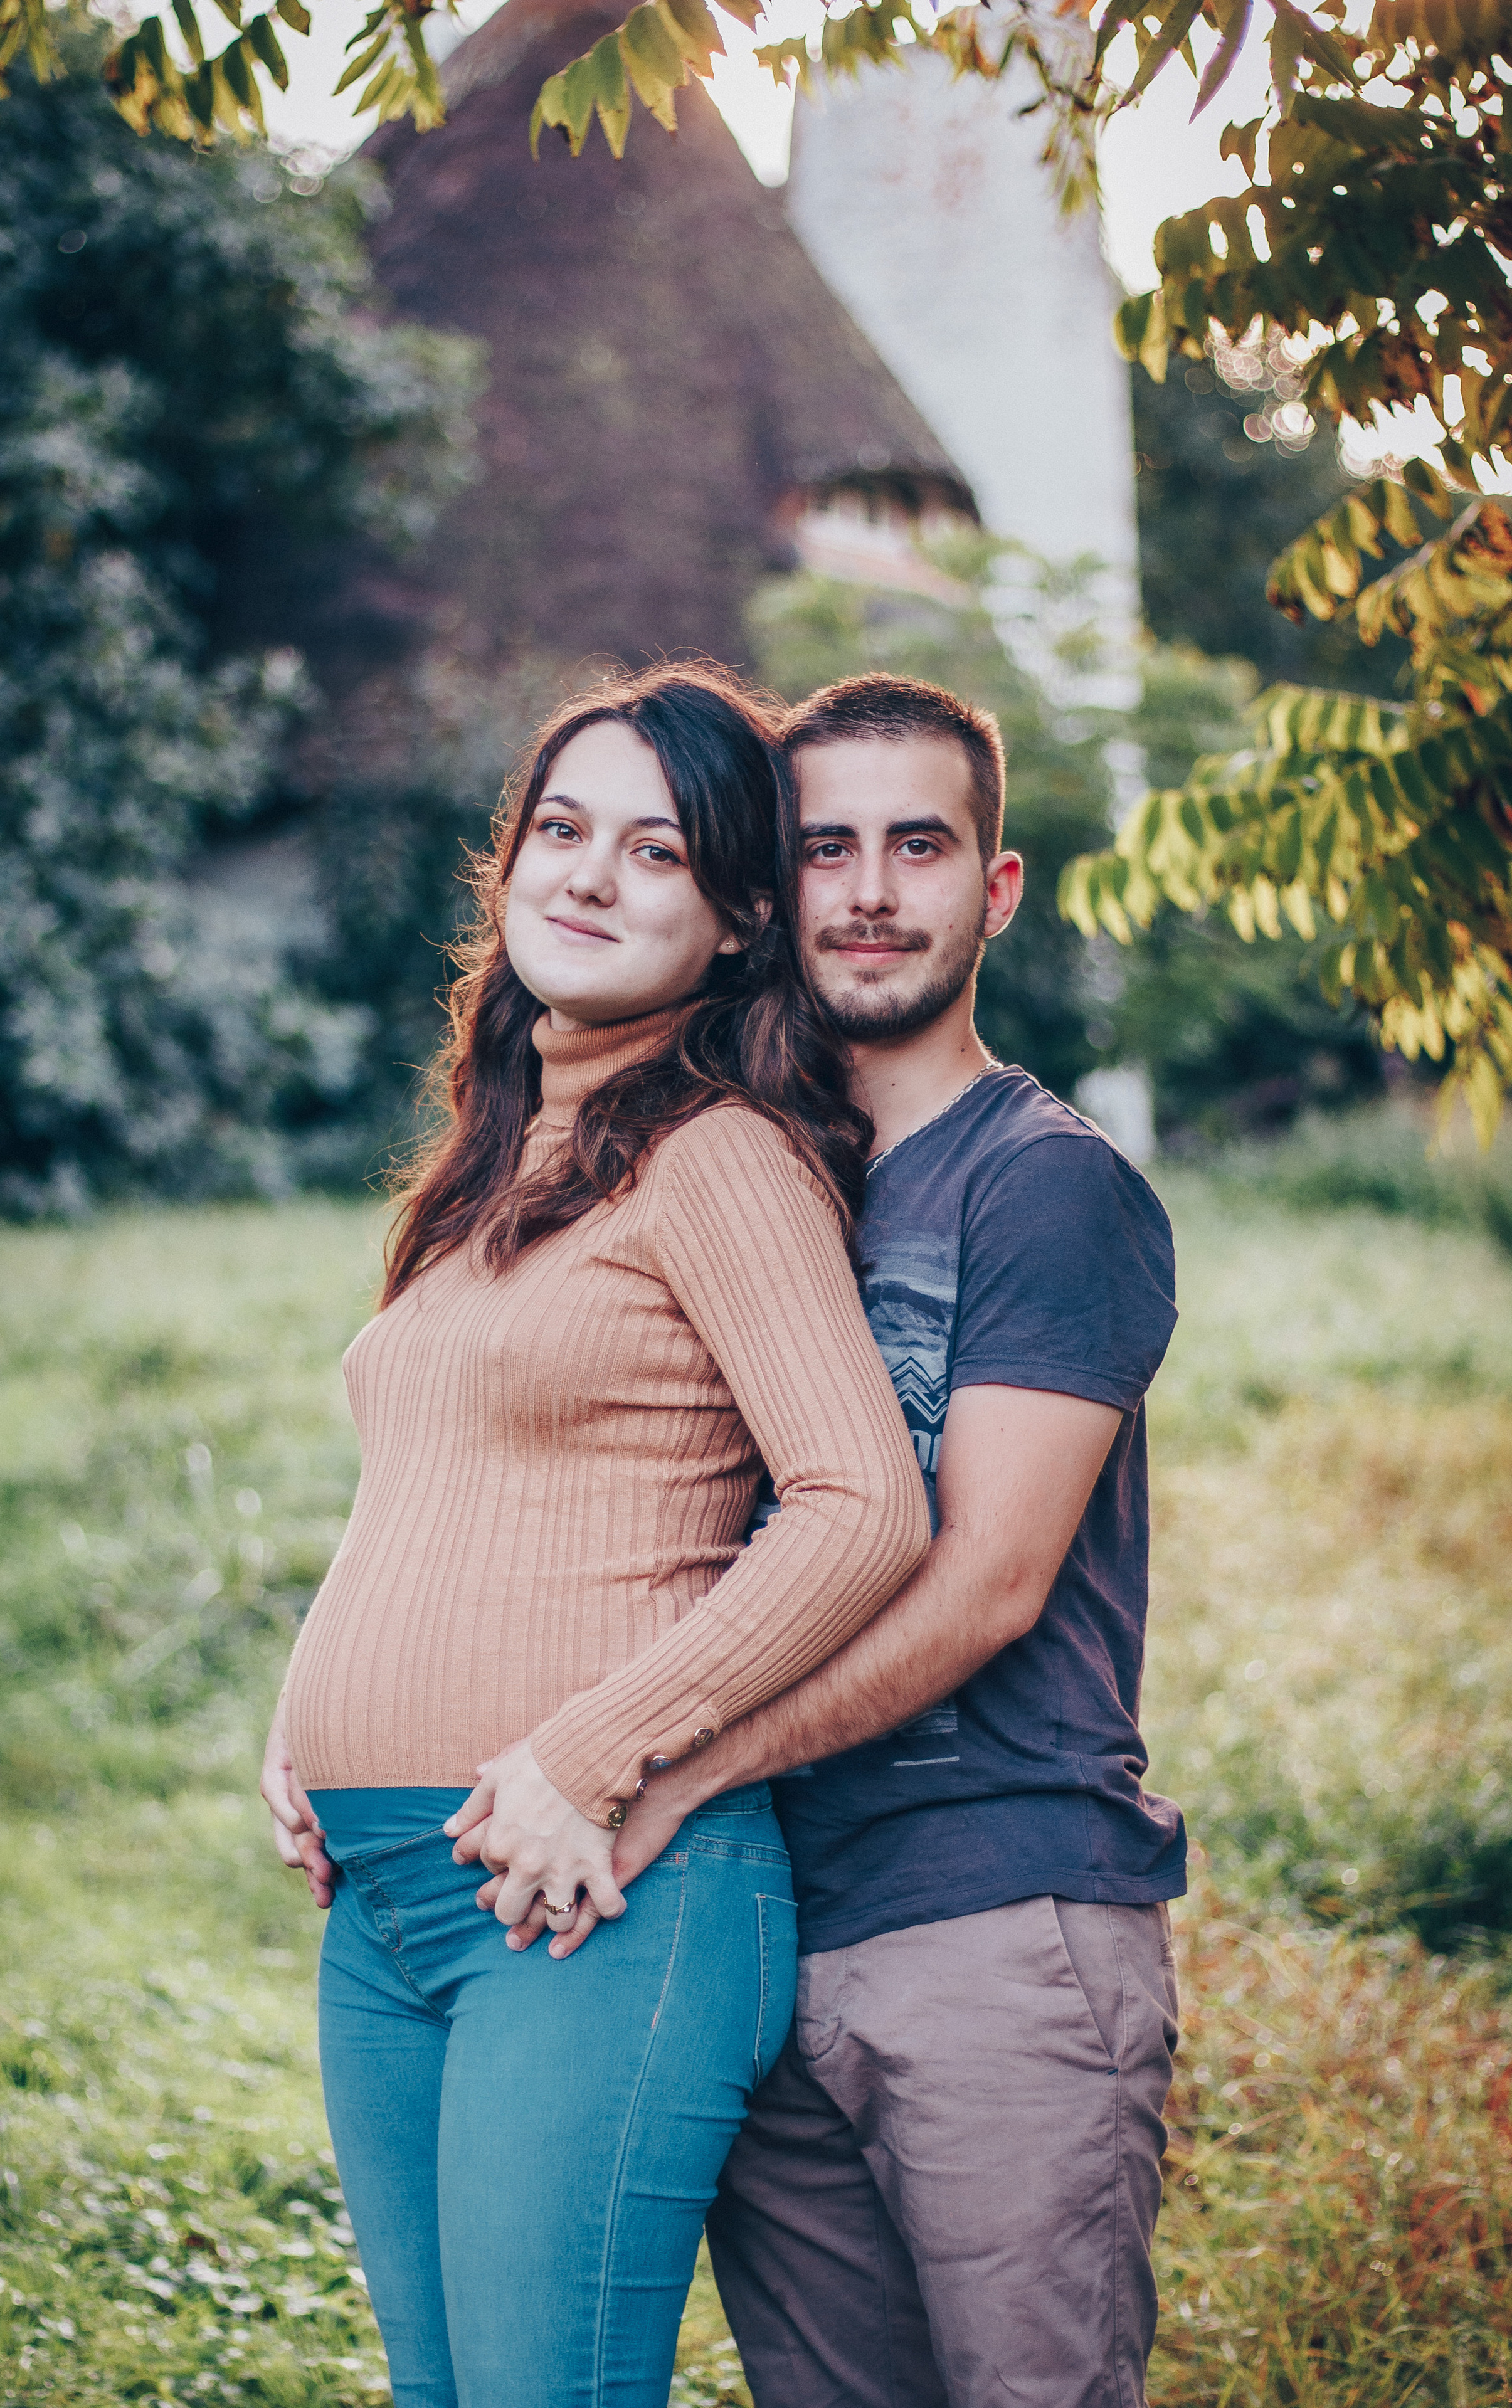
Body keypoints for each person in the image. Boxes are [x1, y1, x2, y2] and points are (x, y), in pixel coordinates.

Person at [478, 673, 1185, 2408]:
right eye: (825, 850)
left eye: (919, 846)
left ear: (994, 890)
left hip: (997, 1920)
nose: (869, 892)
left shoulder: (1043, 1183)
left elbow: (985, 1584)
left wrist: (670, 1769)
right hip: (761, 1932)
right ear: (767, 894)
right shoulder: (749, 1172)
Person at [257, 663, 928, 2408]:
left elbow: (866, 1504)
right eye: (562, 830)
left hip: (597, 1885)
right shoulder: (496, 1168)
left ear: (733, 923)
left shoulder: (717, 1157)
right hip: (391, 1897)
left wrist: (594, 1747)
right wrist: (302, 1716)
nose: (587, 875)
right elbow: (428, 1475)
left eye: (654, 852)